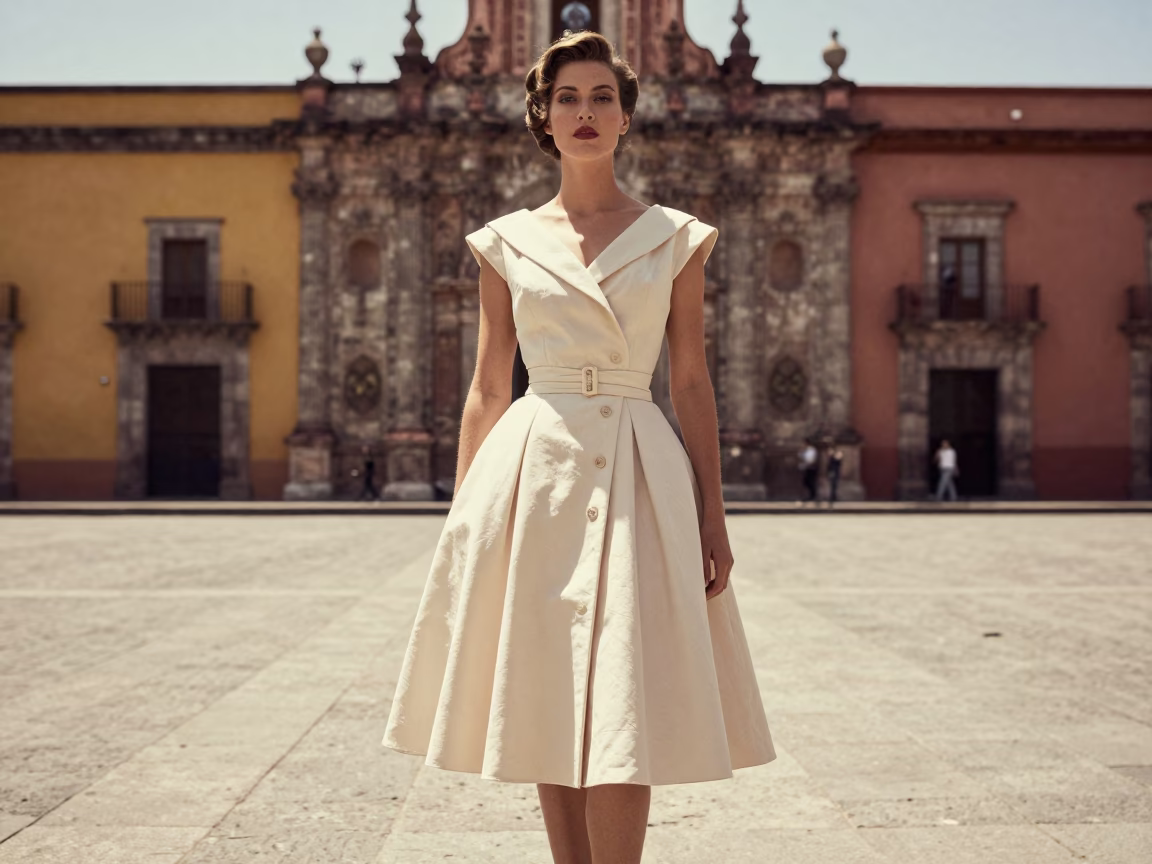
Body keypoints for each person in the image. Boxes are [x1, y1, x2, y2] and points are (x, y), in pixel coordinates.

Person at [382, 31, 774, 864]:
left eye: (602, 98)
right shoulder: (505, 242)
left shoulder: (676, 237)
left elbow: (693, 382)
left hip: (640, 469)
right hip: (535, 470)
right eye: (568, 98)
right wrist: (464, 521)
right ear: (543, 118)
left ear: (627, 118)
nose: (585, 113)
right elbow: (489, 386)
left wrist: (715, 514)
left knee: (623, 694)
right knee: (549, 690)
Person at [798, 441, 818, 505]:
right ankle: (811, 496)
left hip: (811, 468)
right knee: (806, 482)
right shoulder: (806, 450)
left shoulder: (811, 450)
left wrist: (803, 465)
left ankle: (813, 496)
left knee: (810, 482)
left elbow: (810, 460)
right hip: (808, 468)